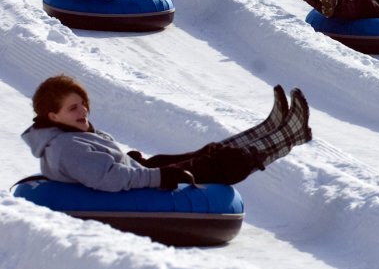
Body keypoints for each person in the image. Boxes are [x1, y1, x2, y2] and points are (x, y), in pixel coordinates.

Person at [22, 75, 311, 192]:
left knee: (206, 153)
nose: (83, 109)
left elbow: (103, 166)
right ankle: (288, 137)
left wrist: (128, 159)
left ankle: (270, 130)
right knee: (219, 165)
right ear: (53, 116)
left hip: (138, 173)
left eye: (83, 103)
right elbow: (111, 179)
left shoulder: (63, 137)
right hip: (139, 186)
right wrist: (161, 176)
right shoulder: (67, 146)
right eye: (73, 108)